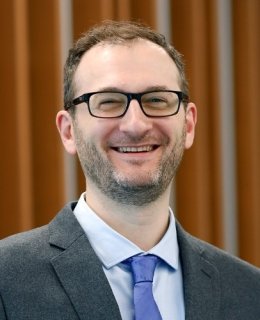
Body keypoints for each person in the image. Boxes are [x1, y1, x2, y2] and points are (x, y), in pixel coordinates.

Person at [0, 20, 259, 320]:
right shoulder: (6, 281)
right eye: (109, 102)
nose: (136, 124)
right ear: (68, 131)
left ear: (188, 125)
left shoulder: (250, 292)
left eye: (157, 100)